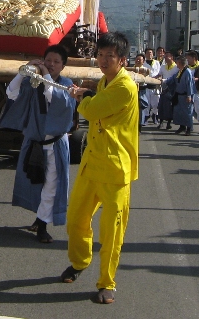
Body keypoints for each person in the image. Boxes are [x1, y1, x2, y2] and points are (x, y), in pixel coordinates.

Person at [61, 32, 138, 305]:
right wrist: (88, 94)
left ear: (122, 60)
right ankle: (80, 261)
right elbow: (96, 101)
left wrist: (81, 98)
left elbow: (92, 111)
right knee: (76, 219)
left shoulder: (125, 87)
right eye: (101, 55)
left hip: (115, 170)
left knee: (111, 233)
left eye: (110, 56)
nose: (104, 60)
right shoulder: (105, 82)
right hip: (92, 163)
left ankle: (107, 282)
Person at [0, 45, 76, 244]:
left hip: (54, 144)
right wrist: (23, 72)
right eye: (48, 60)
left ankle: (42, 226)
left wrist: (44, 75)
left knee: (51, 186)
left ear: (63, 66)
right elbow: (11, 93)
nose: (51, 64)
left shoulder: (66, 85)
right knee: (35, 182)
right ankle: (40, 217)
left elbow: (54, 97)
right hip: (34, 142)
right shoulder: (33, 82)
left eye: (56, 62)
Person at [170, 55, 196, 135]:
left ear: (180, 63)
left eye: (177, 62)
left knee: (187, 112)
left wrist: (189, 95)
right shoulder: (180, 71)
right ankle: (182, 127)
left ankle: (189, 128)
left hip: (186, 95)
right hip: (179, 95)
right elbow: (172, 78)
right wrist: (163, 81)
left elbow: (189, 84)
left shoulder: (187, 72)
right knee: (179, 112)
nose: (176, 64)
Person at [157, 51, 179, 130]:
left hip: (172, 89)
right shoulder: (163, 66)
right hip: (164, 88)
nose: (165, 58)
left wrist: (166, 80)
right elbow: (159, 75)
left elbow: (175, 78)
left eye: (167, 56)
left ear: (172, 57)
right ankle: (161, 122)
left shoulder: (176, 67)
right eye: (165, 57)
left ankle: (168, 123)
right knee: (161, 105)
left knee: (169, 107)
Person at [186, 50, 199, 133]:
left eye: (189, 58)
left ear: (194, 58)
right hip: (188, 92)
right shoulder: (186, 68)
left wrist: (198, 79)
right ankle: (189, 126)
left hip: (198, 91)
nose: (187, 60)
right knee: (189, 109)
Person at [144, 48, 161, 125]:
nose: (149, 54)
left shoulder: (157, 63)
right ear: (145, 54)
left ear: (153, 54)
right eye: (148, 53)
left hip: (155, 86)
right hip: (146, 86)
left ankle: (155, 116)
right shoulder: (143, 63)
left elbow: (159, 73)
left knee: (156, 103)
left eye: (150, 53)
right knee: (146, 103)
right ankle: (146, 117)